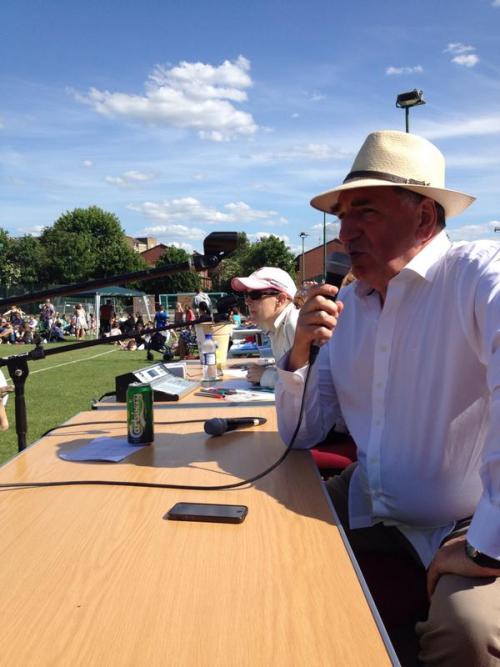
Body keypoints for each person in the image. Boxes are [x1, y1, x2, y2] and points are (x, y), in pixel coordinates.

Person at [275, 130, 500, 666]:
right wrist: (300, 353)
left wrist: (487, 545)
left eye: (365, 212)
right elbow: (301, 433)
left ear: (425, 217)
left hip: (469, 516)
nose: (344, 232)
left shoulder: (477, 274)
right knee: (258, 541)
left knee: (468, 632)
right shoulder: (345, 304)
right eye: (341, 214)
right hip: (369, 497)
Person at [231, 267, 299, 389]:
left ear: (281, 299)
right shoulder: (276, 326)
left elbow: (304, 383)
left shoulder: (294, 323)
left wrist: (265, 376)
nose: (247, 301)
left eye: (255, 295)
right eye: (246, 295)